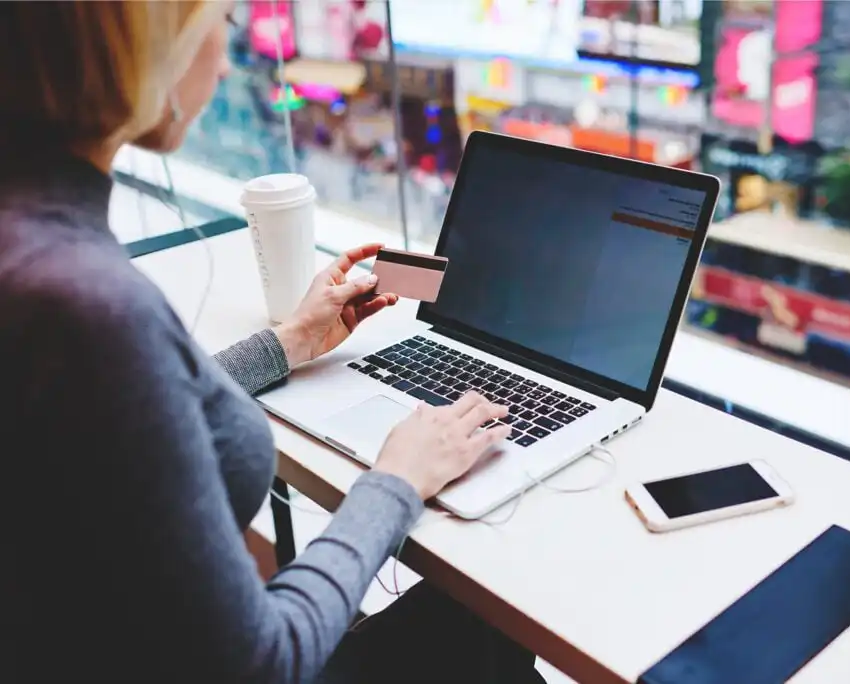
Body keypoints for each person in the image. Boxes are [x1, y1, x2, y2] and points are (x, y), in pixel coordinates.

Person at [0, 3, 544, 683]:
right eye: (219, 22)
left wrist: (286, 344)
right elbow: (263, 661)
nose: (227, 60)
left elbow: (124, 411)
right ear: (145, 45)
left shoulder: (31, 248)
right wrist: (396, 479)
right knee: (482, 620)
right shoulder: (88, 305)